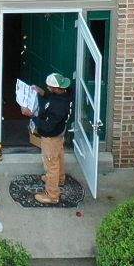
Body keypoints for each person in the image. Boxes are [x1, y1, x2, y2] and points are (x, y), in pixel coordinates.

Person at [32, 70, 76, 202]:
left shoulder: (58, 106)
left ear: (56, 88)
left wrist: (32, 116)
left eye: (49, 87)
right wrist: (42, 92)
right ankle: (60, 179)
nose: (48, 89)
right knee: (59, 155)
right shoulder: (66, 92)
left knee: (51, 164)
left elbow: (47, 126)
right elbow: (52, 98)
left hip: (51, 136)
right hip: (60, 131)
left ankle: (52, 195)